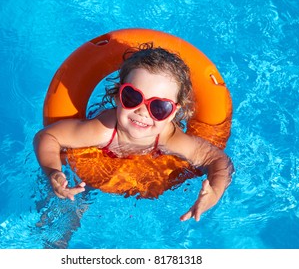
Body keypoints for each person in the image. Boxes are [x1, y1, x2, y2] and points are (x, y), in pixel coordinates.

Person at [34, 43, 234, 222]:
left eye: (159, 107)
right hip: (96, 162)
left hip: (144, 165)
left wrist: (215, 192)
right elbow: (48, 137)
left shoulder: (169, 138)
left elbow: (218, 161)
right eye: (132, 97)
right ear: (117, 95)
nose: (142, 111)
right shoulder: (102, 129)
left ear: (173, 112)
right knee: (68, 205)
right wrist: (53, 171)